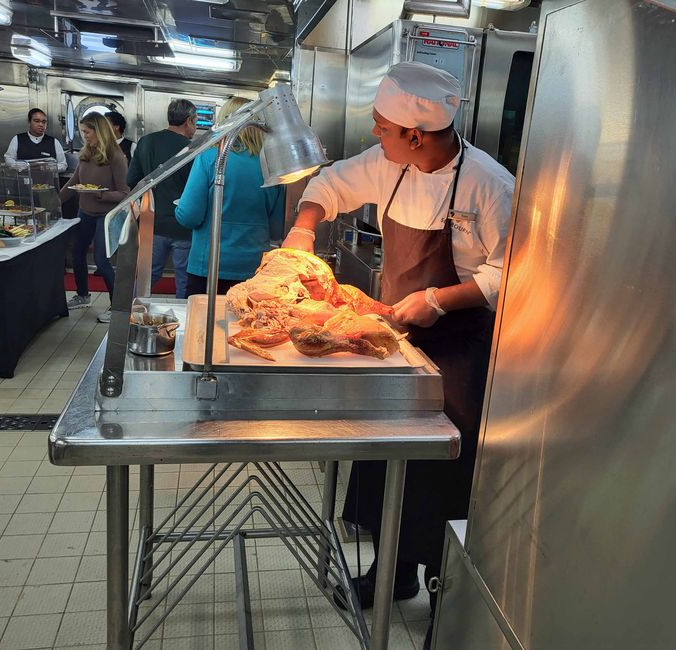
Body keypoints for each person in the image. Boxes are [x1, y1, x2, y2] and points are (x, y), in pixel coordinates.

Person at [281, 61, 514, 649]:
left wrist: (438, 299)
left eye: (382, 126)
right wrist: (304, 230)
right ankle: (391, 573)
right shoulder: (390, 165)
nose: (375, 135)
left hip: (460, 344)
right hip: (395, 335)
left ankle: (444, 590)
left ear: (416, 134)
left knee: (440, 465)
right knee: (382, 450)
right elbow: (329, 185)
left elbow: (510, 272)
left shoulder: (490, 182)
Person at [176, 97, 284, 295]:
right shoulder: (274, 166)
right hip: (254, 269)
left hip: (208, 266)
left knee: (203, 323)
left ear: (225, 123)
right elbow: (278, 229)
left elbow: (189, 216)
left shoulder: (210, 158)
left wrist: (179, 207)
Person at [59, 113, 130, 324]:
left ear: (99, 132)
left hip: (104, 217)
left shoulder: (117, 158)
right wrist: (53, 202)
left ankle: (117, 306)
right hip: (85, 213)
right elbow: (73, 183)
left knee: (101, 260)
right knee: (77, 253)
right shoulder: (86, 154)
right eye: (83, 132)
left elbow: (125, 193)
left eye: (87, 132)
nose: (85, 136)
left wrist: (101, 194)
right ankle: (82, 295)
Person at [127, 99, 197, 298]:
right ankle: (184, 326)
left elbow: (131, 179)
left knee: (146, 277)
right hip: (183, 226)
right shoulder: (193, 149)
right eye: (196, 121)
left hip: (151, 223)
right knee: (184, 281)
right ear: (189, 120)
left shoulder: (146, 142)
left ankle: (129, 317)